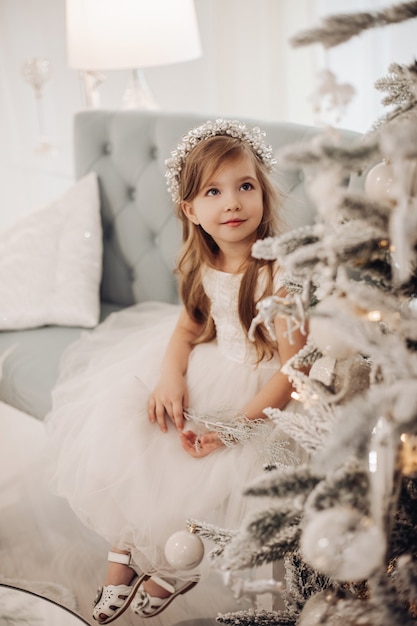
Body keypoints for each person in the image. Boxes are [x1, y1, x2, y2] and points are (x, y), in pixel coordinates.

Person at [46, 119, 307, 624]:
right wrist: (172, 377)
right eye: (214, 191)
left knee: (215, 469)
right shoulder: (200, 262)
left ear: (263, 193)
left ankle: (176, 565)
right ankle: (122, 554)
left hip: (262, 393)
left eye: (244, 186)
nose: (231, 202)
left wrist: (232, 428)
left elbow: (295, 366)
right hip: (212, 367)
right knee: (142, 431)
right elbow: (188, 331)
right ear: (191, 209)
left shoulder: (280, 272)